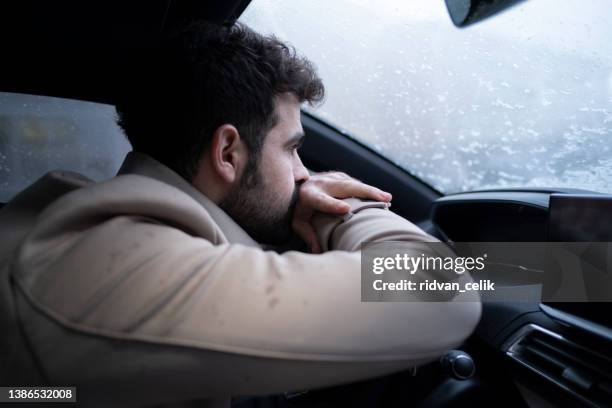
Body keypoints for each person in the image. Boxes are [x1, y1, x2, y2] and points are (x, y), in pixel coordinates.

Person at [0, 22, 480, 407]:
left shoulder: (137, 236)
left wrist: (550, 269)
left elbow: (488, 276)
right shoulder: (116, 263)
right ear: (228, 153)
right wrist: (344, 210)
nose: (304, 175)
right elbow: (443, 290)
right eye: (292, 150)